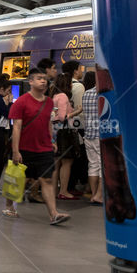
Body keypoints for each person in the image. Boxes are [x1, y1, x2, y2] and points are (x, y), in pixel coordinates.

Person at [3, 68, 70, 225]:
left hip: (44, 148)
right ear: (30, 81)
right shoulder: (21, 102)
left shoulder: (48, 102)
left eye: (45, 78)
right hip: (24, 148)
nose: (43, 81)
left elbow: (47, 122)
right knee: (19, 179)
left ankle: (53, 214)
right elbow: (17, 127)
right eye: (39, 78)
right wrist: (15, 150)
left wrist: (51, 141)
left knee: (46, 180)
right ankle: (8, 206)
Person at [52, 73, 81, 201]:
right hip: (65, 133)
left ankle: (53, 191)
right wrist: (76, 111)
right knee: (67, 162)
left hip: (56, 132)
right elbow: (63, 117)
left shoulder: (55, 96)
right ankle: (63, 191)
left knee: (56, 163)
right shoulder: (63, 96)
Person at [81, 72, 104, 205]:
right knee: (102, 165)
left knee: (93, 165)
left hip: (88, 134)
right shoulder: (104, 94)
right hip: (100, 135)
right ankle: (99, 195)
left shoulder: (87, 93)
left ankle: (94, 195)